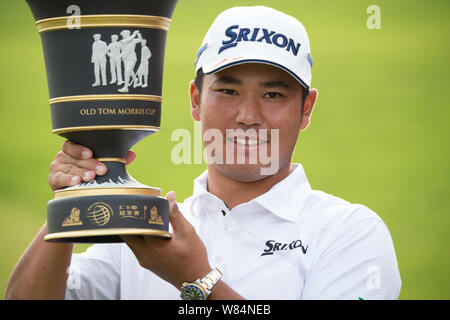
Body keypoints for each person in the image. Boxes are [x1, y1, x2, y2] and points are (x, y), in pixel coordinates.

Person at [5, 6, 401, 300]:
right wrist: (75, 203)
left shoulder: (349, 232)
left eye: (274, 94)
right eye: (228, 91)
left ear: (306, 109)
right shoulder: (145, 228)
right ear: (196, 100)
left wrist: (197, 279)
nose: (248, 116)